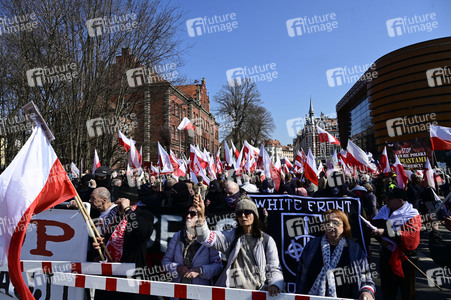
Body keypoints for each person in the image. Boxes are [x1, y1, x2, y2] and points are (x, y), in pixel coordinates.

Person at [193, 195, 284, 296]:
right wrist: (201, 215)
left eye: (247, 212)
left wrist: (275, 284)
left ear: (255, 214)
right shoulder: (230, 236)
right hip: (232, 294)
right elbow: (204, 237)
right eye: (239, 213)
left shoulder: (267, 241)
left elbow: (274, 267)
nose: (243, 216)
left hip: (256, 294)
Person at [295, 209, 375, 300]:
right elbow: (300, 275)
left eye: (335, 223)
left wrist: (367, 292)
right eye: (327, 222)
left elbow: (367, 279)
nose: (330, 226)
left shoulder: (355, 250)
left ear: (344, 226)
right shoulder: (311, 246)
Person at [371, 188, 421, 300]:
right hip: (386, 255)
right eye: (386, 197)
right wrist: (380, 237)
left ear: (400, 201)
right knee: (388, 291)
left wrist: (385, 232)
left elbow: (410, 237)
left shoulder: (412, 214)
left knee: (407, 292)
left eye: (390, 198)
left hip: (406, 258)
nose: (386, 200)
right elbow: (376, 225)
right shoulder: (384, 210)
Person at [161, 206, 223, 291]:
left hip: (200, 293)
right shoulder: (178, 236)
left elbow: (218, 267)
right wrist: (177, 268)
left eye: (193, 214)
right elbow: (165, 262)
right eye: (187, 213)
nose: (188, 216)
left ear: (202, 217)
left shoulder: (210, 238)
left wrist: (200, 271)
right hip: (178, 292)